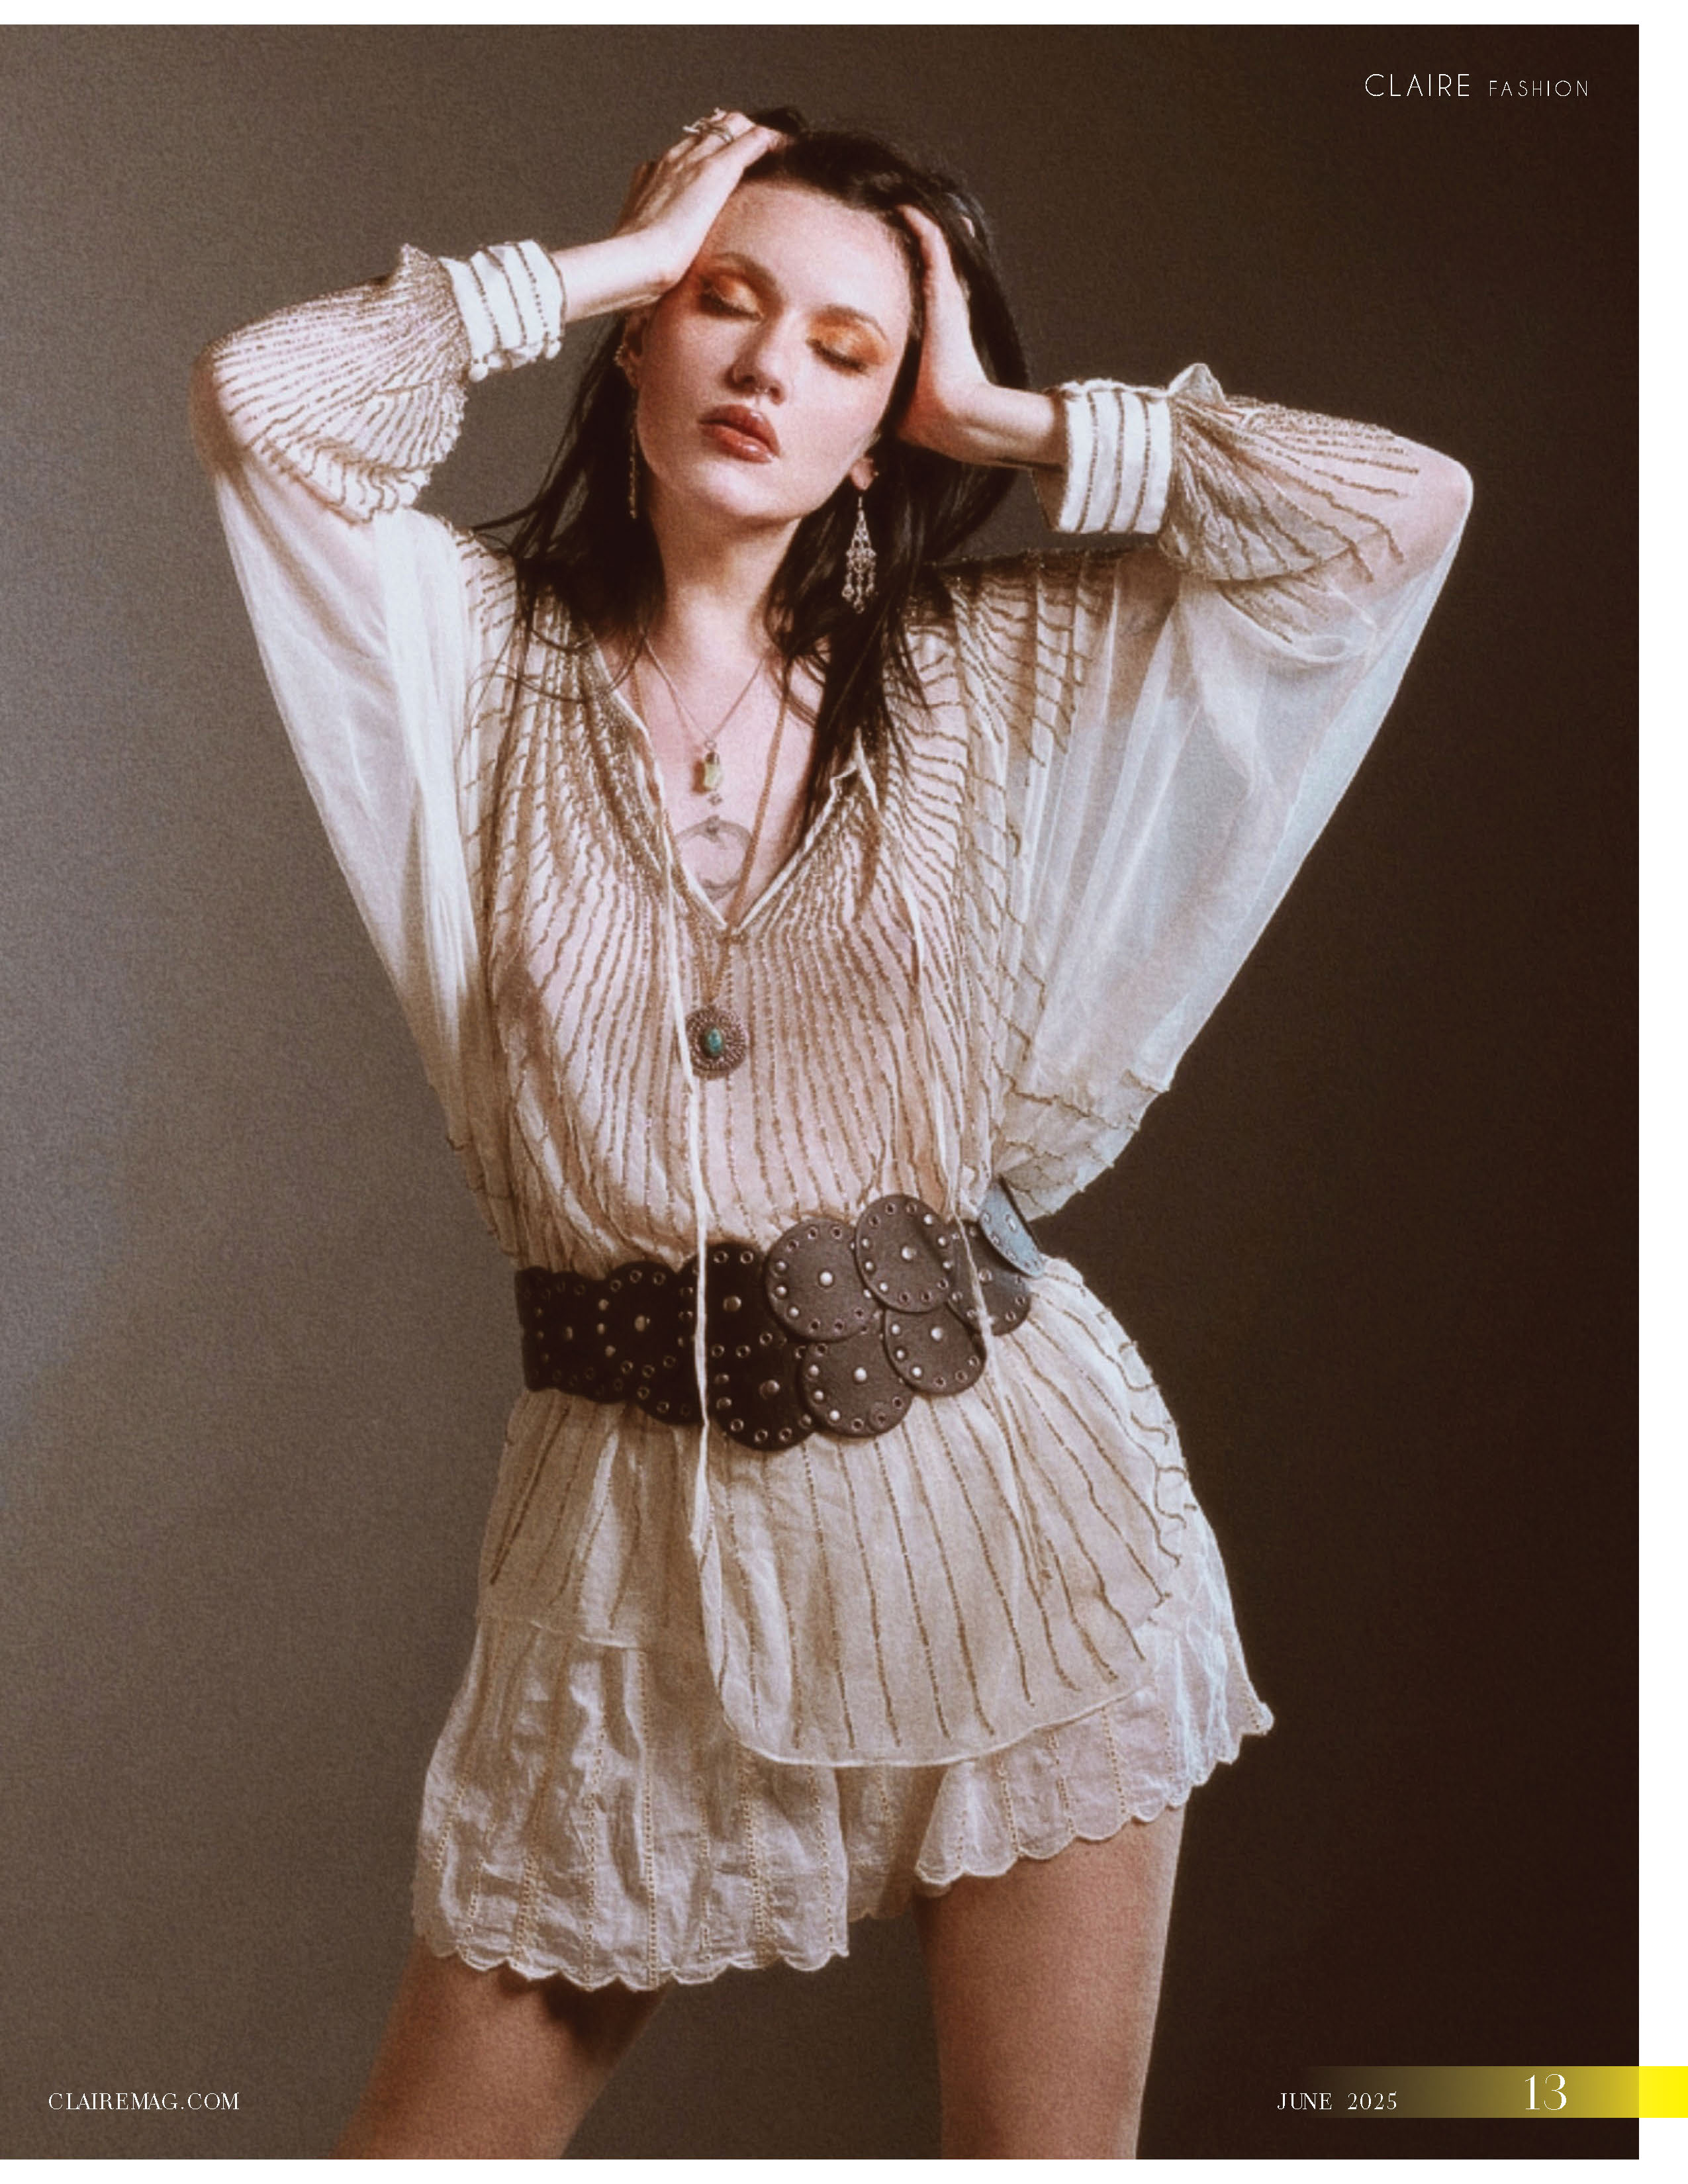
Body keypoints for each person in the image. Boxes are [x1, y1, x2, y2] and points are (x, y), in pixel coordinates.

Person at [191, 105, 1470, 2160]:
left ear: (885, 426)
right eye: (726, 300)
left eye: (847, 348)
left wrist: (1012, 420)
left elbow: (1398, 512)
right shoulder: (469, 658)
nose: (769, 363)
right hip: (630, 1547)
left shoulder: (975, 675)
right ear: (645, 343)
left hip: (1010, 1510)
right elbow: (269, 406)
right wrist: (599, 266)